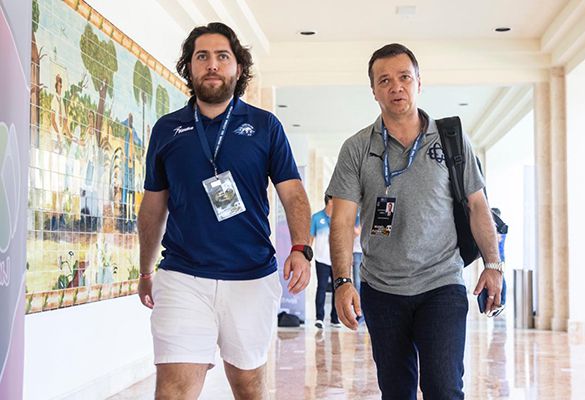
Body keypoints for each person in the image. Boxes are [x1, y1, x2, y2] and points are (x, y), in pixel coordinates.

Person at [137, 22, 312, 399]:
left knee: (248, 386)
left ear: (238, 68)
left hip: (251, 277)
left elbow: (293, 193)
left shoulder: (265, 126)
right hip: (183, 275)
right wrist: (144, 269)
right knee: (174, 388)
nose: (212, 64)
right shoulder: (168, 130)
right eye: (202, 56)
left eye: (222, 56)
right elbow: (153, 208)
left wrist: (301, 248)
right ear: (189, 67)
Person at [326, 43, 503, 399]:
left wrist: (493, 263)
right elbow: (342, 220)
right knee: (396, 391)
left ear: (419, 83)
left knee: (443, 388)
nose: (396, 87)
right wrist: (343, 280)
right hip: (382, 290)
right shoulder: (357, 148)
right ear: (373, 90)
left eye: (404, 77)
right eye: (385, 80)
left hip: (442, 282)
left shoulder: (451, 139)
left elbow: (478, 204)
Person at [310, 195, 340, 329]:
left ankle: (335, 318)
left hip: (336, 260)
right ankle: (319, 318)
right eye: (334, 202)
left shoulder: (339, 219)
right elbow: (310, 237)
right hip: (321, 259)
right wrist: (307, 257)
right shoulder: (317, 217)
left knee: (337, 289)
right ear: (328, 202)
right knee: (321, 288)